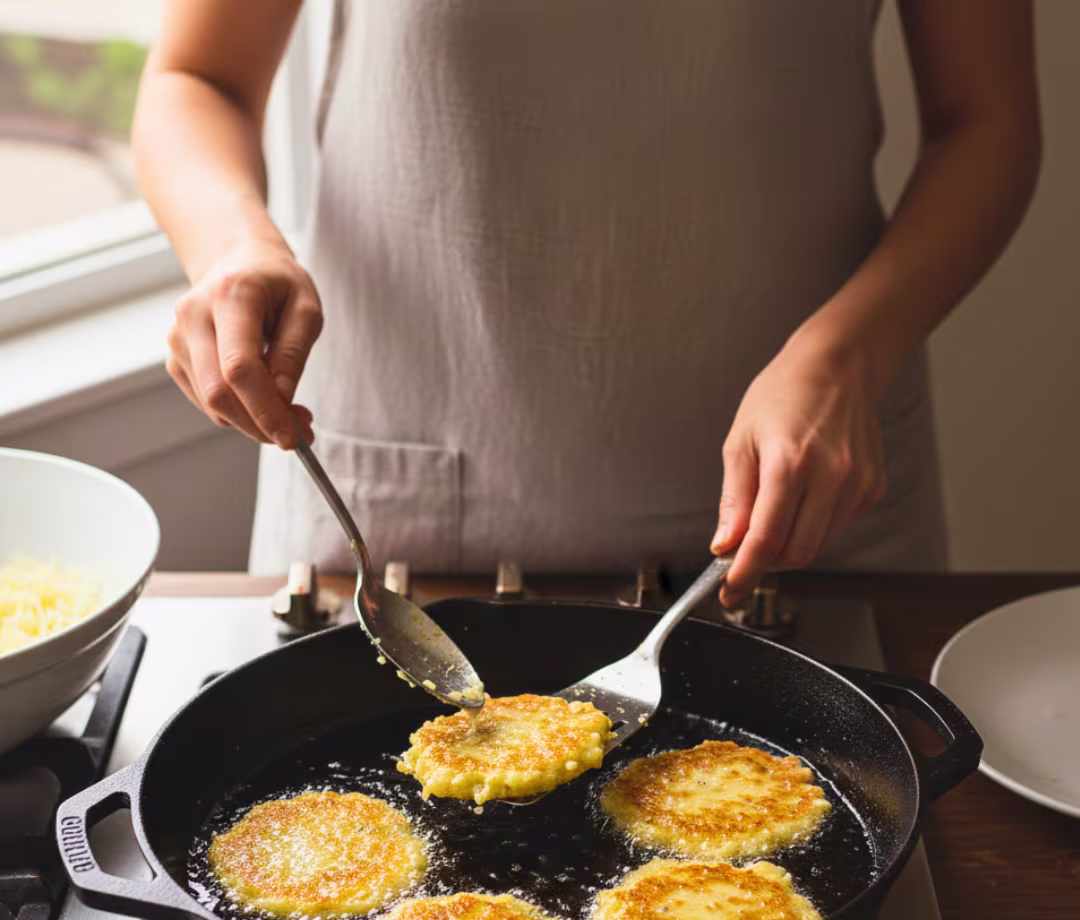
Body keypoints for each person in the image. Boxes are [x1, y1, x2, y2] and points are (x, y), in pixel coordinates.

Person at [134, 0, 1040, 607]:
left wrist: (847, 355)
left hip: (810, 503)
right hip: (395, 528)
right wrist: (234, 247)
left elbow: (985, 121)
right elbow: (196, 78)